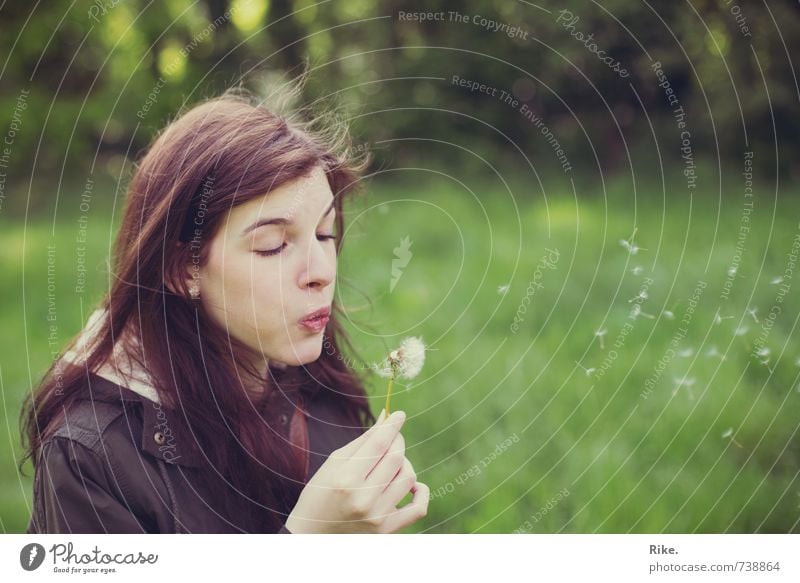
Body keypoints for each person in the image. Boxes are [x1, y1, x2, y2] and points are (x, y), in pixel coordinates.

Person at [19, 83, 429, 534]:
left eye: (325, 234)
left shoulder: (319, 384)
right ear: (182, 269)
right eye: (273, 246)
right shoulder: (91, 457)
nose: (321, 272)